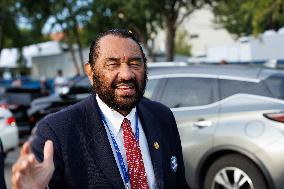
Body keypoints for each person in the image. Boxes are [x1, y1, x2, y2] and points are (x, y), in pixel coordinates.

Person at [11, 29, 189, 189]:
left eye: (135, 63)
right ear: (90, 73)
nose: (127, 74)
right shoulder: (57, 132)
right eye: (112, 64)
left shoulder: (162, 117)